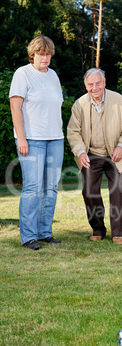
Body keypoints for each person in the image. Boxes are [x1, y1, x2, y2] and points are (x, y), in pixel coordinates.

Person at [67, 68, 122, 245]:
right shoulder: (79, 104)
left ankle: (118, 233)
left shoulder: (119, 100)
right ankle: (98, 229)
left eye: (98, 83)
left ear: (104, 82)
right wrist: (80, 151)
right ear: (85, 85)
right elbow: (73, 132)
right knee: (89, 192)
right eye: (90, 84)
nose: (94, 87)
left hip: (116, 153)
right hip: (91, 154)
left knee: (117, 193)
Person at [9, 35, 64, 250]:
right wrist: (21, 138)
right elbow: (15, 108)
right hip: (32, 139)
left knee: (50, 188)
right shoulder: (22, 74)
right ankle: (29, 236)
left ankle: (45, 232)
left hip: (55, 139)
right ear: (32, 55)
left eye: (48, 53)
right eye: (41, 53)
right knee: (32, 188)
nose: (45, 57)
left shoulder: (54, 76)